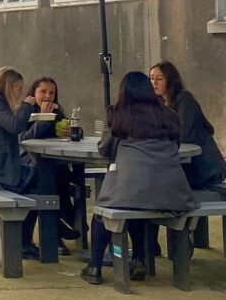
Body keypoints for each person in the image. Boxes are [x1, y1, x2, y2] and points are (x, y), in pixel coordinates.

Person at [81, 71, 197, 286]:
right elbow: (176, 145)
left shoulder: (117, 115)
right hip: (172, 192)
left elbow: (105, 150)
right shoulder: (169, 115)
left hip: (132, 188)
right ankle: (139, 260)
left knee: (102, 212)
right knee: (137, 204)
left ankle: (95, 267)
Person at [18, 76, 79, 259]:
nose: (48, 96)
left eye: (52, 93)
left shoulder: (57, 111)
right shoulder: (25, 111)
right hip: (27, 162)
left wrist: (72, 130)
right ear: (33, 93)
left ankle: (59, 225)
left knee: (61, 174)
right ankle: (59, 226)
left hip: (52, 161)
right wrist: (43, 120)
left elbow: (69, 132)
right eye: (43, 92)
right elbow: (24, 139)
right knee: (49, 177)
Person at [149, 61, 226, 190]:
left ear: (170, 80)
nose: (154, 83)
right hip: (188, 167)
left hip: (206, 169)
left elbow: (184, 135)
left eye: (159, 79)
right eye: (151, 78)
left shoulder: (184, 99)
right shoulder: (161, 103)